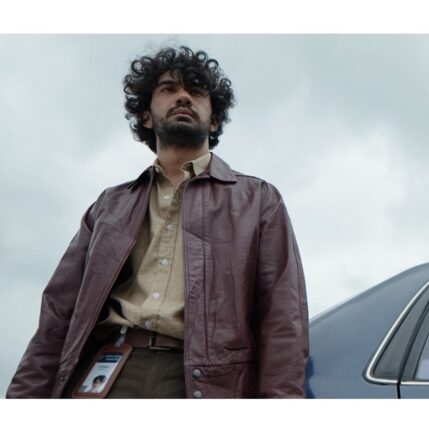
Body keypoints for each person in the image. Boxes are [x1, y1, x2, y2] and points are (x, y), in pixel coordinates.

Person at [6, 46, 309, 398]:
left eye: (196, 92)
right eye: (168, 89)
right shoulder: (108, 206)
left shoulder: (258, 200)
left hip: (206, 383)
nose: (183, 97)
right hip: (104, 375)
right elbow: (57, 316)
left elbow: (283, 320)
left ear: (213, 120)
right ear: (147, 117)